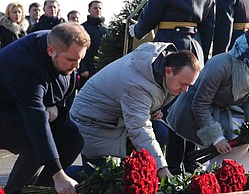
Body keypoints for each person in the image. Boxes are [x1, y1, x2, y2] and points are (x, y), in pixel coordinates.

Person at [128, 0, 215, 174]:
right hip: (195, 46)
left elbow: (150, 17)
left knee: (166, 105)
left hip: (169, 46)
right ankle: (189, 161)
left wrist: (137, 28)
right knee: (188, 103)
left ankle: (170, 164)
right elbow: (209, 25)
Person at [69, 42, 201, 179]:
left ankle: (141, 174)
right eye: (183, 84)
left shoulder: (160, 72)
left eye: (189, 85)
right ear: (168, 71)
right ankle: (54, 176)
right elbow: (139, 128)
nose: (185, 90)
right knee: (100, 179)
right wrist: (161, 169)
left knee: (160, 131)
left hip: (115, 121)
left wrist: (152, 109)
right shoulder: (138, 84)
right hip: (92, 122)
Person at [0, 23, 90, 194]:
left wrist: (56, 106)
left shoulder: (62, 50)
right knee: (34, 143)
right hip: (5, 108)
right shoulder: (25, 64)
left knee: (72, 140)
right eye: (72, 60)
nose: (76, 66)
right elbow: (34, 119)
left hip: (27, 107)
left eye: (80, 59)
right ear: (51, 51)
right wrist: (58, 173)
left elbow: (65, 93)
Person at [167, 26, 249, 172]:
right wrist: (216, 137)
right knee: (178, 164)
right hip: (190, 112)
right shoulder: (221, 65)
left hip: (217, 111)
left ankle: (245, 175)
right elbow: (200, 105)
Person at [79, 0, 108, 86]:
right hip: (88, 68)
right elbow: (78, 48)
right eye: (95, 8)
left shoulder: (106, 29)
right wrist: (82, 68)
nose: (98, 10)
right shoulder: (82, 28)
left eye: (100, 8)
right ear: (89, 10)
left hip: (103, 68)